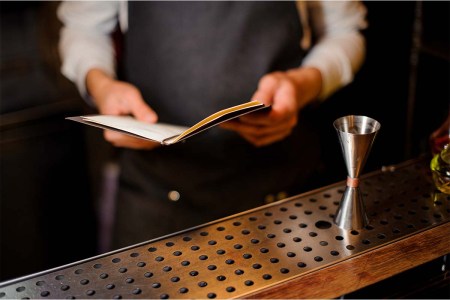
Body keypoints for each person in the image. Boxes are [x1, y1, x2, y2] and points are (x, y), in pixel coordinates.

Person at [58, 1, 367, 249]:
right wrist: (101, 85)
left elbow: (346, 30)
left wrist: (306, 84)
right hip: (154, 196)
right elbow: (82, 27)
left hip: (285, 195)